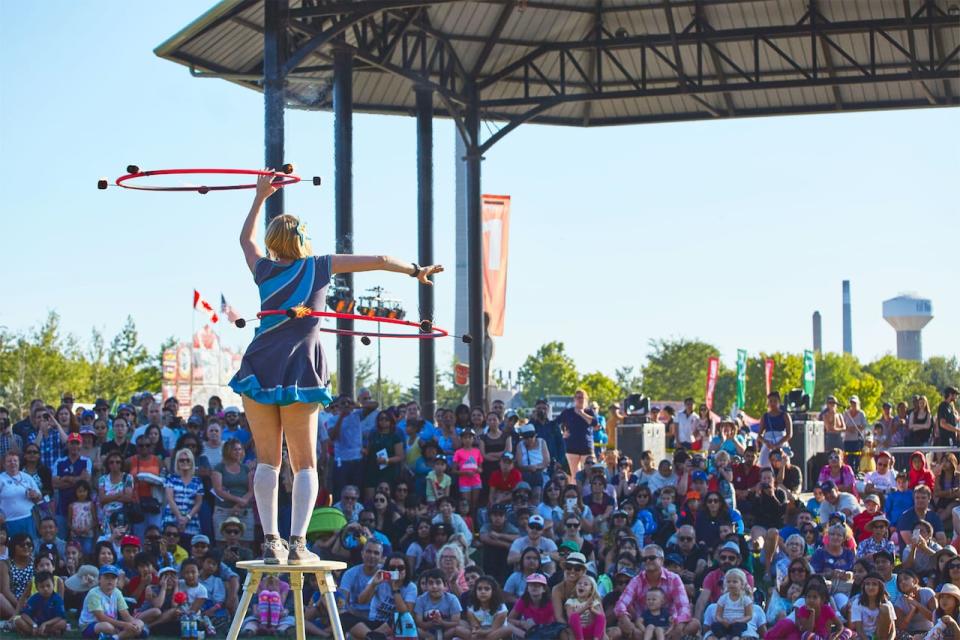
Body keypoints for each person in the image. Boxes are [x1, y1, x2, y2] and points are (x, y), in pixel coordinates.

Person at [228, 173, 442, 564]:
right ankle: (296, 543)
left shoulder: (264, 271)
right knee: (305, 462)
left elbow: (246, 241)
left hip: (259, 365)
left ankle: (272, 541)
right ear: (302, 240)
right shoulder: (319, 266)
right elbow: (377, 260)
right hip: (298, 370)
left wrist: (259, 198)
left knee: (268, 461)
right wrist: (415, 270)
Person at [614, 544, 698, 640]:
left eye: (652, 558)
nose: (648, 561)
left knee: (695, 624)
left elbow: (684, 606)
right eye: (644, 559)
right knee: (622, 624)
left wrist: (679, 626)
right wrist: (624, 618)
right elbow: (621, 603)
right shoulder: (636, 580)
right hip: (643, 629)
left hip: (668, 627)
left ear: (661, 560)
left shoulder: (674, 578)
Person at [78, 564, 146, 640]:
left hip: (113, 623)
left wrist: (134, 625)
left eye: (113, 578)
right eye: (106, 577)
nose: (110, 580)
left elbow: (125, 615)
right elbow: (101, 617)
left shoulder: (117, 592)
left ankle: (115, 637)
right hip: (90, 625)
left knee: (140, 622)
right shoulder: (93, 593)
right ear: (99, 579)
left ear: (117, 581)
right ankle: (128, 634)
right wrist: (125, 625)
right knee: (107, 627)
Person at [0, 450, 42, 541]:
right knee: (13, 548)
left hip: (29, 519)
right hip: (9, 521)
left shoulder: (27, 477)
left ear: (19, 463)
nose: (12, 463)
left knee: (31, 544)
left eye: (15, 460)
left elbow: (39, 496)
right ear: (4, 464)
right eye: (9, 461)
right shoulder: (1, 479)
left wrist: (35, 495)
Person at [15, 570, 67, 638]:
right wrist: (33, 625)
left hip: (49, 624)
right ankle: (43, 632)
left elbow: (60, 616)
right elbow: (24, 615)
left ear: (53, 585)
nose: (45, 589)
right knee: (18, 621)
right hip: (34, 624)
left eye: (48, 586)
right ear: (37, 588)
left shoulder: (57, 598)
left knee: (63, 623)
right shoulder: (33, 598)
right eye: (42, 587)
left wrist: (45, 624)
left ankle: (39, 632)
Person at [414, 569, 462, 640]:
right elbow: (418, 622)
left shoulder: (452, 599)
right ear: (426, 586)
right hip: (427, 631)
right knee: (415, 630)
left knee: (458, 629)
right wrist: (432, 623)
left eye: (438, 583)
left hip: (446, 631)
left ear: (445, 585)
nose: (434, 586)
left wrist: (442, 623)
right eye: (431, 583)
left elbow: (456, 622)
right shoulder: (420, 600)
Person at [558, 390, 598, 476]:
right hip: (571, 447)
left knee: (590, 473)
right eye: (578, 397)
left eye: (582, 397)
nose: (580, 400)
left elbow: (595, 423)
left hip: (586, 446)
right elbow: (556, 423)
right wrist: (562, 433)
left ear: (586, 399)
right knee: (574, 475)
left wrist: (582, 413)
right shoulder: (568, 412)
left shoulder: (589, 411)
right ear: (574, 399)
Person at [849, 571, 897, 640]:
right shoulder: (857, 603)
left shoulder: (887, 603)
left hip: (881, 636)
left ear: (880, 587)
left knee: (885, 608)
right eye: (867, 584)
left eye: (874, 584)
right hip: (864, 637)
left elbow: (893, 631)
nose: (870, 587)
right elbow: (859, 630)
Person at [710, 568, 754, 640]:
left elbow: (749, 616)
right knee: (715, 625)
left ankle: (735, 637)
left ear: (742, 584)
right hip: (725, 624)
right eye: (728, 582)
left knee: (738, 626)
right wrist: (722, 620)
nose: (731, 584)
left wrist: (739, 620)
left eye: (735, 582)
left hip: (738, 623)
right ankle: (722, 637)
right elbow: (718, 615)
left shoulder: (745, 599)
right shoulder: (723, 598)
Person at [564, 575, 605, 640]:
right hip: (576, 632)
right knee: (574, 616)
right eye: (579, 583)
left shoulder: (594, 602)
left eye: (586, 584)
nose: (582, 585)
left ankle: (596, 639)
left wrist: (592, 609)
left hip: (590, 630)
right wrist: (584, 608)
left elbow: (601, 617)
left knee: (601, 617)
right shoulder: (571, 601)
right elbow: (570, 616)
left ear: (591, 590)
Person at [757, 392, 792, 468]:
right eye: (770, 401)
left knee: (783, 465)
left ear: (779, 402)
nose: (772, 403)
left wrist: (778, 444)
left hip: (781, 443)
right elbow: (759, 436)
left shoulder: (785, 415)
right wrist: (766, 443)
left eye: (775, 401)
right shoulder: (765, 416)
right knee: (763, 465)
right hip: (768, 444)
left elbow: (789, 434)